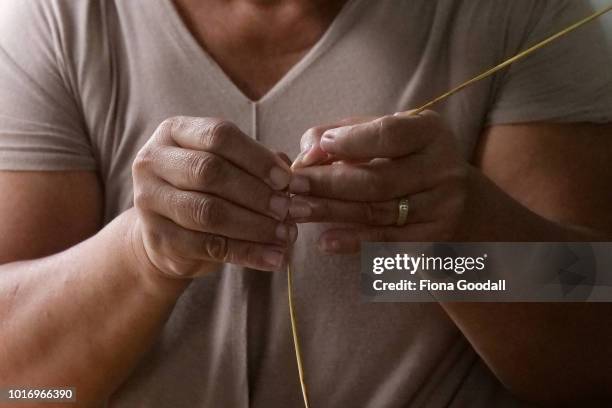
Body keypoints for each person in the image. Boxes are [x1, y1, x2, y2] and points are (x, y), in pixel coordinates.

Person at [0, 0, 611, 406]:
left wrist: (453, 248)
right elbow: (20, 392)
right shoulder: (61, 19)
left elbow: (590, 372)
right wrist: (141, 256)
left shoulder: (519, 12)